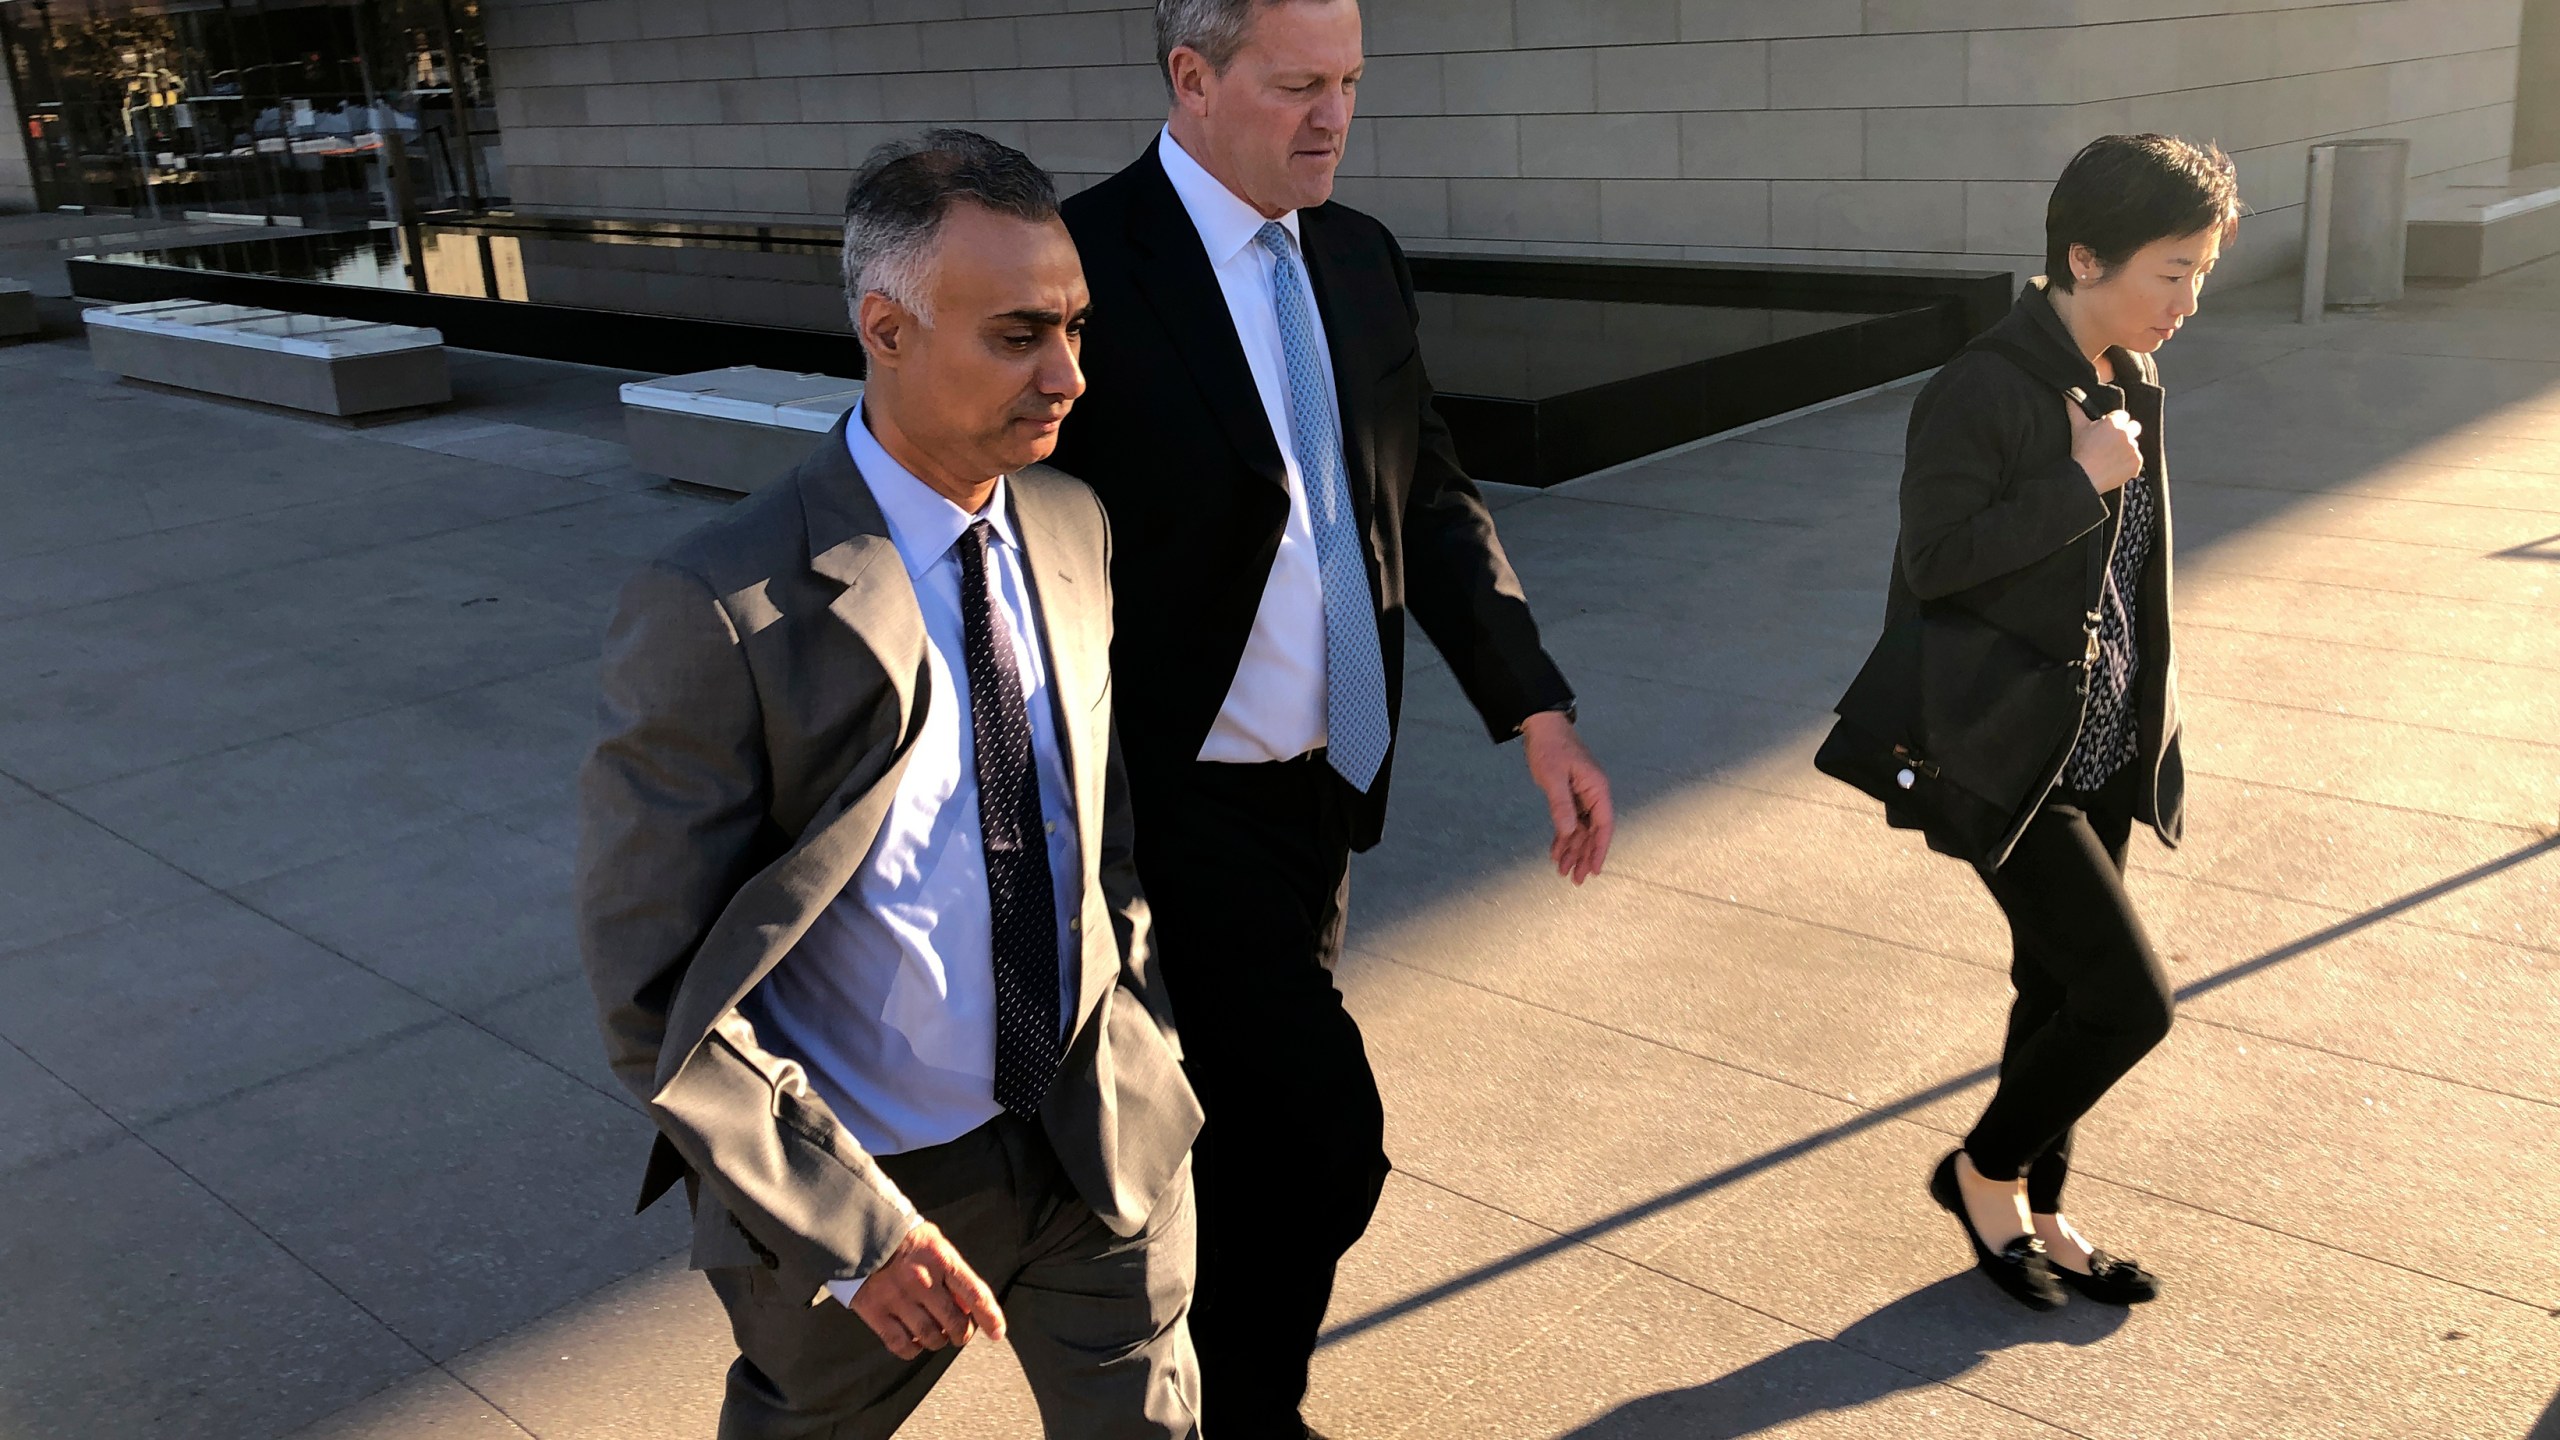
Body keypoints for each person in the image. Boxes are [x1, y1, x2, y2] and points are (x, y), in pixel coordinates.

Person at [576, 130, 1204, 1439]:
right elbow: (654, 993)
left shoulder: (1075, 525)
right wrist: (845, 1228)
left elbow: (1104, 832)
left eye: (1078, 328)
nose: (1070, 375)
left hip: (1101, 1144)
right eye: (1022, 334)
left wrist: (1144, 1027)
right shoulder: (718, 603)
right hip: (867, 1189)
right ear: (888, 327)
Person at [1047, 2, 1616, 1433]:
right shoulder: (1085, 264)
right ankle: (1245, 1404)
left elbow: (1425, 494)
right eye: (1297, 83)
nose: (1333, 116)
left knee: (1252, 1134)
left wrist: (1535, 709)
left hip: (1327, 790)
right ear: (1192, 77)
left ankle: (1227, 1386)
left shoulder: (1356, 254)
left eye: (1351, 83)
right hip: (1175, 802)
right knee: (1329, 1141)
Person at [1883, 134, 2240, 1311]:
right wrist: (2077, 480)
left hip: (2099, 749)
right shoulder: (1980, 386)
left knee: (2056, 990)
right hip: (2004, 754)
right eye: (2171, 271)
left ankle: (2039, 1207)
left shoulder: (2129, 375)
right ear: (2082, 257)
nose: (2189, 299)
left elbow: (2129, 576)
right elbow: (1934, 565)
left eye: (2199, 271)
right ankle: (1980, 1174)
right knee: (2128, 1002)